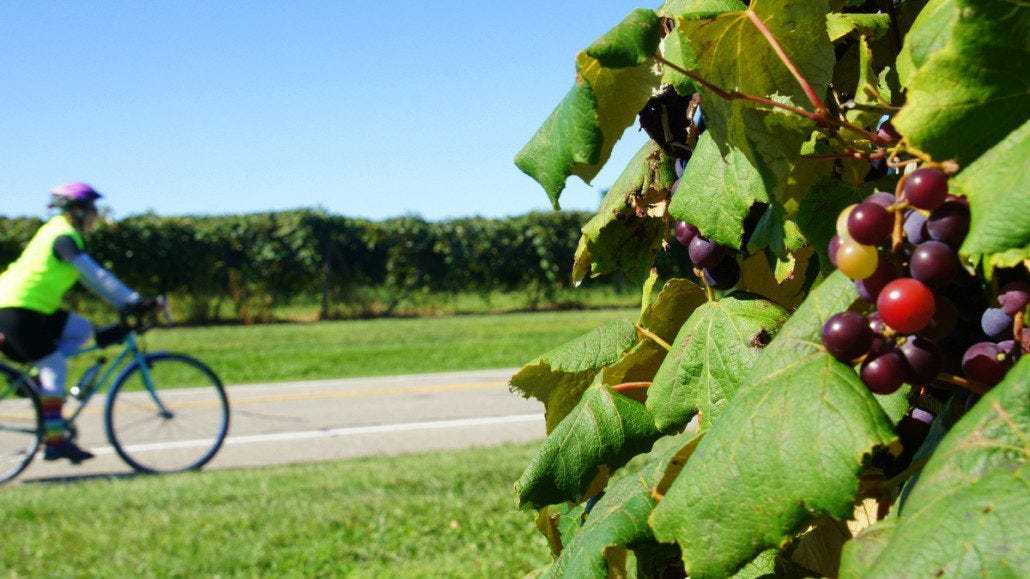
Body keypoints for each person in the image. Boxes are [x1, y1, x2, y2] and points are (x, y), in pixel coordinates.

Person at [0, 183, 154, 463]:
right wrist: (132, 300)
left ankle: (42, 391)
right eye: (93, 209)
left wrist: (126, 300)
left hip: (33, 309)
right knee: (53, 364)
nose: (96, 215)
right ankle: (55, 440)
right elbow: (94, 276)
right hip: (16, 308)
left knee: (81, 330)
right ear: (77, 210)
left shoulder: (58, 232)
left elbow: (91, 279)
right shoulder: (63, 236)